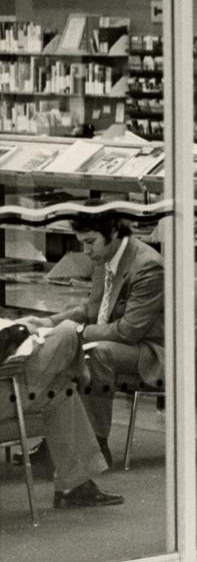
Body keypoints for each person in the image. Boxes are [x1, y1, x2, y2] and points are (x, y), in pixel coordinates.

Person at [23, 213, 165, 506]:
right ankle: (68, 449)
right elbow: (91, 308)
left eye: (90, 242)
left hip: (150, 348)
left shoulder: (148, 265)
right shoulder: (105, 259)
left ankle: (97, 442)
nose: (86, 251)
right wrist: (48, 321)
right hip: (115, 338)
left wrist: (77, 331)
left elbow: (128, 331)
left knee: (93, 353)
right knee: (76, 349)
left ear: (113, 232)